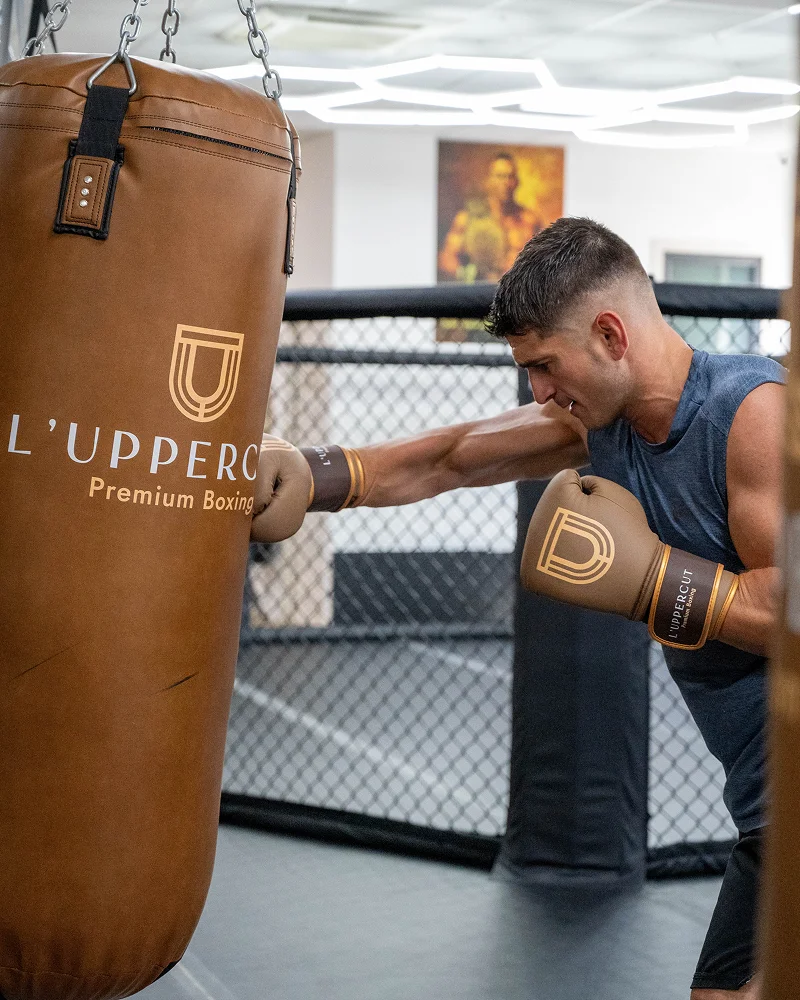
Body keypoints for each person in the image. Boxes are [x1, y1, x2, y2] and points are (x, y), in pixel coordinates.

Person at [252, 218, 786, 999]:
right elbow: (452, 456)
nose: (537, 390)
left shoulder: (751, 416)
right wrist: (318, 474)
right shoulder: (604, 426)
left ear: (610, 335)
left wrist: (651, 580)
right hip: (767, 807)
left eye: (544, 365)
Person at [438, 152, 545, 282]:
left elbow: (544, 263)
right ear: (489, 181)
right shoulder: (467, 219)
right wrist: (470, 274)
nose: (505, 182)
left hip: (516, 292)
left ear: (516, 182)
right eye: (500, 176)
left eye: (510, 176)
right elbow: (446, 258)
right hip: (483, 291)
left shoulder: (530, 220)